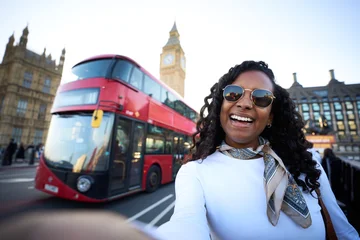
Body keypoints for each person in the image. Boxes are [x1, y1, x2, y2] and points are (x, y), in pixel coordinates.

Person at [156, 61, 359, 239]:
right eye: (233, 94)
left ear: (270, 116)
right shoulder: (195, 173)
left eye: (260, 97)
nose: (244, 104)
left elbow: (344, 232)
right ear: (221, 106)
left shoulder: (306, 163)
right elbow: (185, 225)